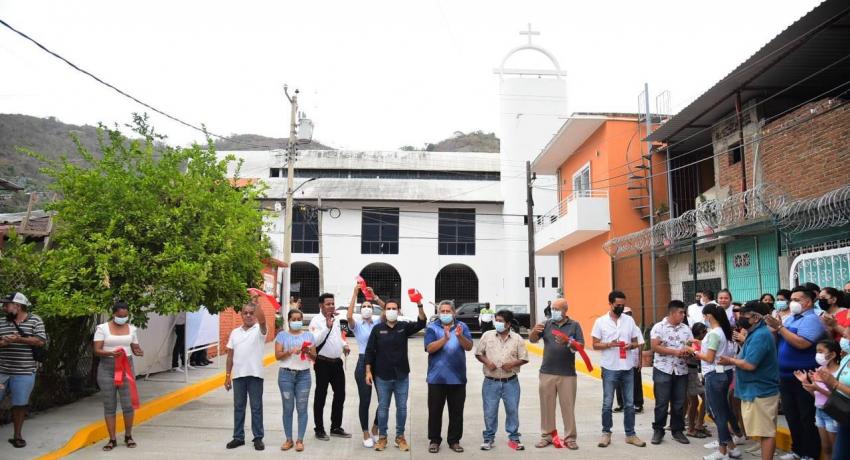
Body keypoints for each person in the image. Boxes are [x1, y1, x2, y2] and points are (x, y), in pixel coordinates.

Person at [764, 286, 826, 460]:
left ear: (808, 302)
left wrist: (780, 328)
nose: (792, 303)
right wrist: (773, 327)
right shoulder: (791, 319)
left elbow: (802, 343)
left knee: (806, 417)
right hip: (785, 376)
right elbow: (776, 336)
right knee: (792, 416)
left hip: (803, 375)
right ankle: (797, 450)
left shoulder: (811, 320)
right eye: (791, 300)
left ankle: (810, 453)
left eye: (797, 300)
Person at [718, 301, 780, 460]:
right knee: (763, 431)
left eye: (745, 315)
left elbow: (750, 364)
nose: (740, 318)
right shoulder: (754, 333)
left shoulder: (761, 335)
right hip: (754, 390)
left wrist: (730, 361)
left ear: (756, 318)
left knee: (766, 433)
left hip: (761, 391)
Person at [364, 297, 426, 451]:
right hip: (382, 376)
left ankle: (400, 437)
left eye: (394, 308)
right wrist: (368, 372)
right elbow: (369, 351)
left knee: (402, 408)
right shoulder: (377, 329)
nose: (391, 311)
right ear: (384, 312)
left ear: (398, 311)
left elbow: (421, 323)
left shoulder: (403, 327)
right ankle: (383, 437)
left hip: (401, 376)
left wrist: (419, 304)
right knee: (383, 408)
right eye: (388, 308)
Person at [591, 290, 646, 448]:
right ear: (610, 304)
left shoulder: (629, 321)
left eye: (623, 305)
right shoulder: (601, 322)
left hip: (627, 367)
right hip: (610, 368)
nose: (621, 308)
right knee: (607, 403)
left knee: (629, 403)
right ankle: (606, 433)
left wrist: (631, 345)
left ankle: (630, 434)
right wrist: (609, 344)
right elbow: (595, 344)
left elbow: (638, 342)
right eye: (618, 305)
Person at [689, 304, 741, 460]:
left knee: (716, 412)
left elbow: (710, 358)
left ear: (709, 316)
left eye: (704, 316)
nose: (703, 319)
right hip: (725, 374)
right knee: (722, 410)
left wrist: (695, 352)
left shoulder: (714, 334)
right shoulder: (724, 332)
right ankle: (731, 446)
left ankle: (723, 450)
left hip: (714, 375)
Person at [529, 299, 582, 450]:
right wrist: (534, 331)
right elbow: (533, 340)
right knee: (547, 406)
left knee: (568, 407)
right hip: (547, 372)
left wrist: (568, 341)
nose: (554, 311)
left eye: (557, 309)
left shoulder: (574, 325)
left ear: (565, 310)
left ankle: (570, 438)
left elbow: (581, 346)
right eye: (552, 308)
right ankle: (547, 436)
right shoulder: (546, 324)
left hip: (567, 374)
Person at [93, 301, 144, 451]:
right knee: (110, 405)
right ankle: (112, 439)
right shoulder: (102, 328)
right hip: (107, 368)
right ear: (114, 314)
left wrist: (139, 351)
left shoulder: (132, 329)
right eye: (120, 316)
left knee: (128, 405)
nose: (123, 318)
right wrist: (111, 353)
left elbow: (135, 347)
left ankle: (128, 435)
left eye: (126, 316)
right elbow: (97, 350)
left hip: (126, 367)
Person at [424, 300, 473, 453]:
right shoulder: (432, 327)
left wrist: (459, 337)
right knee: (435, 411)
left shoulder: (462, 327)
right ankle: (434, 440)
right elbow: (430, 348)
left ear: (454, 312)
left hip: (457, 378)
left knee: (457, 411)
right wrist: (445, 339)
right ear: (439, 313)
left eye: (448, 311)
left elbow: (469, 347)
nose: (445, 314)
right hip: (436, 378)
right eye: (442, 311)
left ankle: (454, 440)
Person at [476, 309, 529, 451]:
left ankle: (514, 438)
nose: (497, 323)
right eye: (496, 320)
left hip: (510, 382)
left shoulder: (517, 338)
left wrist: (512, 364)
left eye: (501, 321)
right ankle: (488, 438)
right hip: (490, 381)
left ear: (508, 324)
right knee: (489, 411)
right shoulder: (487, 336)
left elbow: (524, 358)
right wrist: (487, 362)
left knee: (512, 410)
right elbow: (478, 353)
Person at [0, 292, 47, 449]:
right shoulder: (1, 321)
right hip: (1, 371)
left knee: (20, 404)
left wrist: (19, 339)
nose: (4, 307)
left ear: (18, 306)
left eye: (7, 305)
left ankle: (17, 435)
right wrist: (3, 343)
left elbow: (40, 341)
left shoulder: (35, 320)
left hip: (24, 371)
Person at [224, 302, 268, 451]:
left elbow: (262, 320)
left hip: (255, 375)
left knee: (256, 408)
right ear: (241, 315)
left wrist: (257, 304)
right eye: (245, 313)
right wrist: (227, 375)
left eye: (251, 313)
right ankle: (238, 437)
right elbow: (230, 356)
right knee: (238, 408)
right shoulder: (235, 332)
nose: (248, 315)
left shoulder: (260, 331)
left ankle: (258, 438)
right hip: (239, 377)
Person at [650, 300, 694, 445]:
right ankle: (658, 430)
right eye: (681, 312)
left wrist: (688, 353)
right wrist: (675, 351)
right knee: (661, 403)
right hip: (663, 369)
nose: (683, 315)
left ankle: (677, 430)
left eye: (684, 312)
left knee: (679, 403)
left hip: (681, 370)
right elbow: (655, 347)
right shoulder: (659, 327)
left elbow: (690, 346)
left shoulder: (686, 329)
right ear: (672, 313)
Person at [309, 293, 352, 440]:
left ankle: (335, 427)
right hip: (322, 363)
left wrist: (345, 345)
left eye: (332, 303)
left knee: (340, 395)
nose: (331, 306)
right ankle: (319, 429)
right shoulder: (316, 320)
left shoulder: (338, 318)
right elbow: (313, 340)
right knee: (321, 396)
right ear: (321, 305)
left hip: (336, 363)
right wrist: (326, 327)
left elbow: (340, 337)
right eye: (328, 304)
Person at [275, 309, 316, 452]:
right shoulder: (282, 336)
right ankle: (288, 439)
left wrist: (307, 351)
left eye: (299, 319)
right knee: (287, 408)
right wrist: (290, 351)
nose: (296, 321)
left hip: (304, 375)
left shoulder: (309, 336)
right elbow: (277, 356)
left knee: (302, 408)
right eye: (293, 319)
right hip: (286, 375)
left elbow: (314, 358)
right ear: (289, 320)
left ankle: (300, 440)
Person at [348, 285, 383, 447]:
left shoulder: (377, 323)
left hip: (379, 361)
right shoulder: (357, 325)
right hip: (363, 363)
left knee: (383, 399)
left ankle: (375, 427)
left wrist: (374, 297)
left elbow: (390, 310)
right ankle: (365, 432)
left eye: (369, 307)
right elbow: (349, 317)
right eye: (364, 307)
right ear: (360, 310)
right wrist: (355, 294)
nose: (367, 309)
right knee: (365, 400)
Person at [794, 340, 840, 460]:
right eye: (816, 351)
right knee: (826, 447)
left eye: (821, 351)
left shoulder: (838, 372)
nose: (817, 354)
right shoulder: (819, 370)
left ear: (833, 354)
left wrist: (817, 388)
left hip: (832, 413)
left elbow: (837, 397)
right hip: (819, 412)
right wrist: (806, 383)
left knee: (836, 449)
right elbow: (817, 396)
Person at [813, 327, 850, 460]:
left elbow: (836, 385)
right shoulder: (846, 359)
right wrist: (816, 384)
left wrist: (834, 383)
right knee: (837, 453)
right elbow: (834, 388)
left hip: (844, 410)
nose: (843, 339)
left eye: (846, 336)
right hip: (842, 411)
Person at [614, 306, 645, 413]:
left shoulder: (635, 328)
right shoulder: (616, 327)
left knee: (636, 383)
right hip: (620, 360)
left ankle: (638, 404)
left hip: (633, 361)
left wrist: (640, 361)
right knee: (619, 383)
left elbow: (640, 345)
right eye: (626, 314)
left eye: (629, 314)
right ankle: (621, 403)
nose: (628, 316)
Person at [685, 322, 711, 439]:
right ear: (700, 333)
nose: (706, 334)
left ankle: (697, 425)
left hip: (693, 373)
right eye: (704, 332)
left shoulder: (699, 343)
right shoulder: (693, 343)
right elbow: (694, 356)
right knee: (696, 401)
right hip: (690, 373)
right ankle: (693, 427)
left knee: (698, 400)